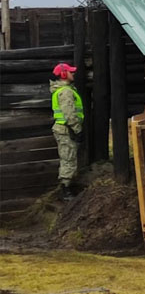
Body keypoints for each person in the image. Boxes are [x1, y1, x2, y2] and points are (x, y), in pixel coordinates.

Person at [49, 62, 84, 199]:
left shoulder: (63, 90)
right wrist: (77, 129)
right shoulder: (66, 92)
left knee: (68, 156)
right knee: (68, 158)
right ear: (63, 74)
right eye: (70, 71)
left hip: (64, 128)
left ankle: (68, 186)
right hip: (67, 129)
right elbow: (70, 114)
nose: (73, 73)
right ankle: (66, 190)